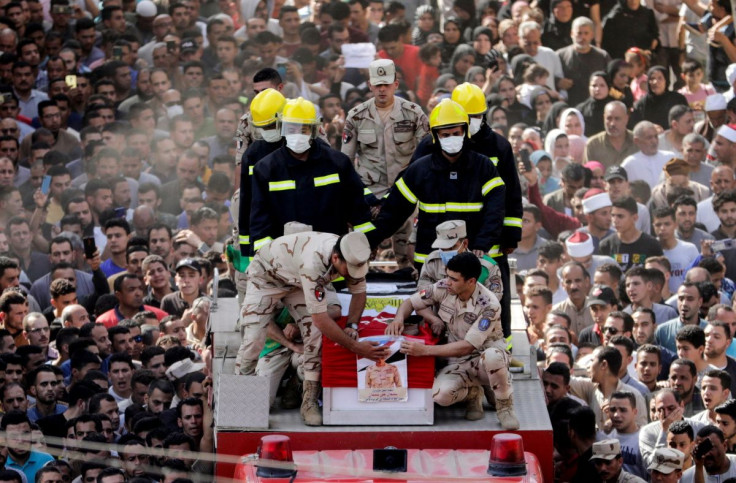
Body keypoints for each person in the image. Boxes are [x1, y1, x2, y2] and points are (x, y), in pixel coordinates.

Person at [234, 231, 388, 425]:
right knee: (253, 338)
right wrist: (356, 347)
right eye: (348, 269)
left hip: (297, 282)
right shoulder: (313, 262)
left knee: (314, 334)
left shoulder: (353, 254)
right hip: (267, 277)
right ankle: (240, 402)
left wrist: (352, 325)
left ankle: (309, 400)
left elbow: (359, 293)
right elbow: (321, 320)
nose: (351, 274)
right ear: (335, 258)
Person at [368, 99, 506, 274]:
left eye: (456, 133)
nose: (452, 139)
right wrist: (370, 241)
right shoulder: (420, 169)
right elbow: (394, 212)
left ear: (465, 132)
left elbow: (496, 210)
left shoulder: (484, 167)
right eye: (445, 135)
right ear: (436, 136)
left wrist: (482, 243)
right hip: (431, 261)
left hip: (475, 261)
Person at [386, 252, 519, 430]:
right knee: (441, 396)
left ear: (471, 281)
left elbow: (467, 347)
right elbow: (410, 302)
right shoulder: (444, 287)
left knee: (493, 356)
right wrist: (398, 319)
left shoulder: (489, 305)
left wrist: (424, 350)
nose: (448, 282)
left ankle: (505, 407)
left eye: (454, 279)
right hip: (457, 361)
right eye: (448, 276)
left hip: (483, 361)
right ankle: (472, 393)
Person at [249, 97, 375, 254]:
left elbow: (358, 210)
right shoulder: (266, 169)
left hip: (332, 258)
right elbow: (260, 221)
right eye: (292, 128)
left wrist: (366, 244)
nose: (297, 134)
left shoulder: (337, 163)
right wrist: (267, 259)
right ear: (282, 128)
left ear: (314, 129)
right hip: (286, 260)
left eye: (304, 129)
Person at [342, 59, 428, 269]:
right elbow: (345, 163)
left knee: (408, 255)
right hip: (370, 192)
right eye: (377, 85)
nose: (382, 90)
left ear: (396, 85)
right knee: (360, 256)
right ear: (370, 85)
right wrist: (364, 196)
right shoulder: (357, 116)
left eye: (386, 84)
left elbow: (424, 156)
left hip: (405, 191)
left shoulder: (413, 113)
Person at [417, 220, 503, 302]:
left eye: (452, 247)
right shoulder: (432, 261)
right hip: (439, 314)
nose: (447, 252)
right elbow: (421, 294)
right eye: (443, 249)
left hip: (474, 315)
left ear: (465, 243)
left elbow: (494, 299)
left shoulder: (487, 266)